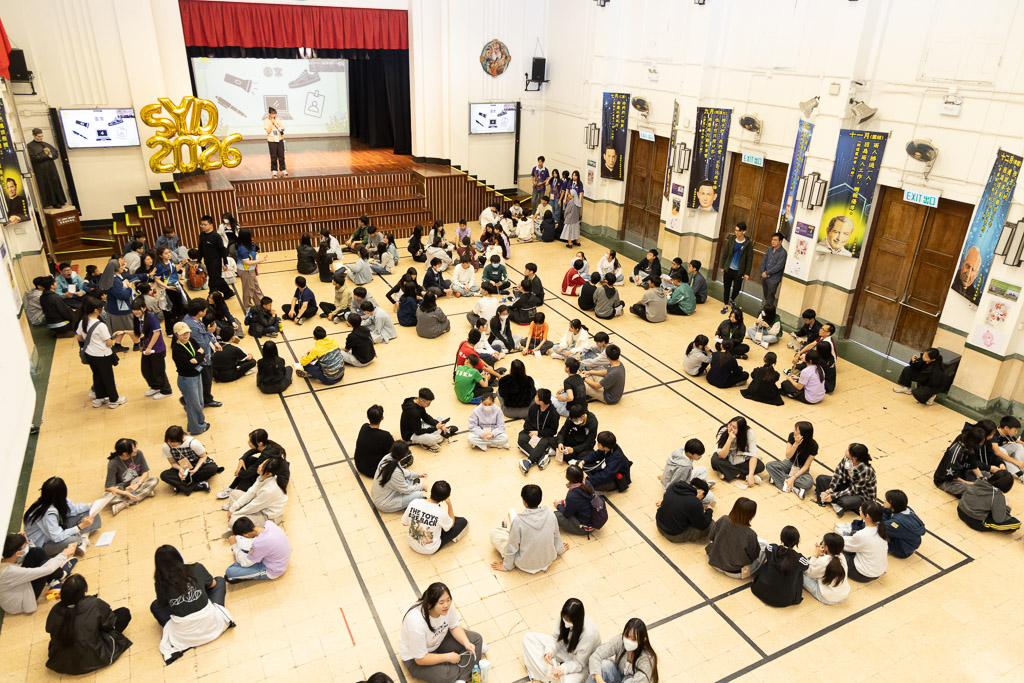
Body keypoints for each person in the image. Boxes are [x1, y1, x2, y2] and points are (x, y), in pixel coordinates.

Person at [150, 545, 232, 665]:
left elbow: (163, 604)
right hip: (212, 623)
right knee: (219, 581)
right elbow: (213, 584)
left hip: (184, 635)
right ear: (178, 557)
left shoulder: (160, 584)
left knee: (155, 606)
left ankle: (188, 636)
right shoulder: (196, 568)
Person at [44, 574, 132, 674]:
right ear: (83, 591)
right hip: (91, 657)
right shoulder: (93, 603)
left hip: (61, 661)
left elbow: (49, 629)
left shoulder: (55, 609)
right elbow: (109, 623)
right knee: (123, 613)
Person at [400, 582, 484, 683]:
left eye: (448, 600)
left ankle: (460, 675)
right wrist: (447, 657)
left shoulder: (447, 606)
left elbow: (454, 626)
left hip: (440, 640)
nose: (446, 605)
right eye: (441, 603)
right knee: (445, 676)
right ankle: (465, 669)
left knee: (476, 640)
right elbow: (420, 659)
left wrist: (466, 643)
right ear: (429, 604)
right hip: (416, 658)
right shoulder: (415, 622)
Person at [490, 484, 568, 573]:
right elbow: (556, 536)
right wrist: (560, 550)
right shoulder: (550, 513)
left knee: (494, 533)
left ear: (524, 502)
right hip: (548, 559)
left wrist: (506, 566)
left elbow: (512, 547)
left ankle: (511, 561)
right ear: (540, 499)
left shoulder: (518, 521)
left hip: (525, 564)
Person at [522, 597, 601, 683]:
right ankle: (546, 677)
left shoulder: (588, 633)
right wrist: (550, 651)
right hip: (566, 651)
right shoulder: (563, 616)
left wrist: (563, 669)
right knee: (528, 638)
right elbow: (556, 638)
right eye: (565, 619)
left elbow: (579, 663)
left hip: (581, 665)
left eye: (568, 621)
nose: (565, 622)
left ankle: (548, 676)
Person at [0, 532, 76, 615]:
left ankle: (56, 577)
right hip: (20, 603)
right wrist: (64, 554)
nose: (25, 549)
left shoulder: (5, 560)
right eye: (24, 548)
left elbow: (28, 555)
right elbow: (47, 569)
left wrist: (26, 542)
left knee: (37, 552)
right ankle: (59, 575)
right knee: (45, 565)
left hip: (16, 588)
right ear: (17, 553)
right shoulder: (10, 572)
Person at [23, 477, 101, 558]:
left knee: (92, 513)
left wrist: (90, 505)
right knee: (73, 539)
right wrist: (80, 527)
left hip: (58, 528)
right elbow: (56, 537)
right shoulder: (48, 514)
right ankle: (80, 540)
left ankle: (83, 540)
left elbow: (73, 509)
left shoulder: (54, 500)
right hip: (44, 544)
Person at [77, 297, 128, 408]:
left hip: (90, 354)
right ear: (96, 310)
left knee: (97, 376)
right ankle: (114, 400)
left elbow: (79, 337)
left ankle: (99, 398)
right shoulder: (100, 325)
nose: (103, 309)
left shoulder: (83, 322)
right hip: (102, 355)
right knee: (108, 378)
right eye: (101, 307)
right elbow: (109, 343)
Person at [403, 480, 468, 554]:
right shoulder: (441, 513)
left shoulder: (414, 502)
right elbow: (451, 525)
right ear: (445, 498)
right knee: (462, 521)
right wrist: (449, 505)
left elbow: (404, 523)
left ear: (431, 490)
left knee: (445, 520)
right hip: (430, 549)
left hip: (412, 544)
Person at [706, 497, 764, 578]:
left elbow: (711, 536)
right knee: (764, 549)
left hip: (713, 560)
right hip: (734, 571)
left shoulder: (723, 519)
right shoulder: (751, 534)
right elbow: (754, 556)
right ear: (752, 515)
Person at [587, 618, 659, 683]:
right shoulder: (620, 641)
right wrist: (599, 680)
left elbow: (640, 680)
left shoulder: (647, 658)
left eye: (633, 639)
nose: (628, 641)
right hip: (620, 676)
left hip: (634, 681)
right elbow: (596, 655)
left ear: (643, 640)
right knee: (604, 665)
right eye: (627, 636)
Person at [751, 526, 808, 607]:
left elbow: (767, 549)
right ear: (797, 541)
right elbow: (806, 566)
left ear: (781, 538)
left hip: (761, 591)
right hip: (783, 600)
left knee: (768, 560)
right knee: (799, 571)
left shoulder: (772, 549)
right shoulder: (799, 559)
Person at [814, 443, 876, 517]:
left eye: (848, 450)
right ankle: (835, 503)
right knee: (821, 479)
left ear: (855, 458)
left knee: (845, 502)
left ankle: (833, 501)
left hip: (860, 495)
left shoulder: (865, 470)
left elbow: (853, 490)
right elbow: (838, 474)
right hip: (847, 485)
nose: (846, 450)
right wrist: (831, 488)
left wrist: (834, 495)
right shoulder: (847, 458)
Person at [225, 456, 287, 528]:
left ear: (269, 474)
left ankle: (241, 527)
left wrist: (235, 514)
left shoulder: (268, 490)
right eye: (262, 463)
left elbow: (253, 507)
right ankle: (240, 524)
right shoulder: (263, 477)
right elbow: (250, 492)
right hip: (258, 505)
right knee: (234, 494)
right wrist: (233, 508)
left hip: (267, 516)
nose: (259, 466)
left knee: (233, 522)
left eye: (262, 466)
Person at [225, 517, 292, 582]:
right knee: (243, 553)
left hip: (274, 570)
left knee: (230, 572)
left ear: (247, 535)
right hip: (282, 558)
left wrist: (234, 545)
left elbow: (245, 563)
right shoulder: (269, 524)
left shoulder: (259, 544)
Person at [170, 322, 208, 434]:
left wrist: (196, 359)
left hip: (196, 375)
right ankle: (197, 428)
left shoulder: (191, 341)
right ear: (176, 335)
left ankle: (198, 424)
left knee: (199, 402)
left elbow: (202, 353)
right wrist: (199, 357)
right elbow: (187, 366)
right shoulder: (177, 349)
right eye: (182, 334)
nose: (185, 336)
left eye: (187, 333)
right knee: (193, 405)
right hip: (187, 379)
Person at [160, 426, 221, 495]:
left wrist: (195, 470)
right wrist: (180, 469)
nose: (170, 444)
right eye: (168, 441)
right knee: (164, 475)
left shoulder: (193, 443)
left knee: (212, 468)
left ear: (181, 438)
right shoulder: (166, 446)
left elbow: (203, 457)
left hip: (197, 464)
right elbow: (173, 463)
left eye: (173, 442)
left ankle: (180, 485)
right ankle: (198, 485)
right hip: (182, 467)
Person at [104, 438, 157, 516]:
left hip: (137, 482)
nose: (136, 450)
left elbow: (145, 472)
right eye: (133, 449)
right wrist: (126, 493)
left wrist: (137, 484)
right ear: (125, 453)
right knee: (106, 496)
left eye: (135, 447)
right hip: (122, 487)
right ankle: (144, 493)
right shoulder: (113, 463)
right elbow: (108, 487)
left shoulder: (138, 453)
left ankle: (124, 503)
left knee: (154, 480)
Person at [764, 422, 817, 498]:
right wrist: (796, 444)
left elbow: (806, 466)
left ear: (802, 433)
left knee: (809, 483)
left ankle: (778, 479)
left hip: (801, 468)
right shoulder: (792, 436)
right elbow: (788, 456)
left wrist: (793, 477)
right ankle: (795, 488)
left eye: (796, 430)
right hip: (789, 462)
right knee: (770, 465)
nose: (794, 431)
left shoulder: (813, 445)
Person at [371, 441, 427, 513]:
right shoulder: (395, 473)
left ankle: (413, 487)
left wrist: (417, 475)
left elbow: (402, 472)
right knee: (419, 494)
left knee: (408, 479)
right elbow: (406, 489)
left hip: (382, 494)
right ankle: (408, 503)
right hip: (385, 503)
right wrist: (421, 487)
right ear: (405, 455)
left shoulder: (387, 457)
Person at [839, 503, 888, 582]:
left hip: (863, 574)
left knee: (833, 549)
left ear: (867, 516)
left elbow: (842, 544)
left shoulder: (863, 535)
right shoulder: (881, 529)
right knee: (854, 533)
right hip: (878, 571)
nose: (860, 509)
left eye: (861, 509)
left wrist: (834, 539)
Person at [710, 417, 764, 485]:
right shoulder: (723, 430)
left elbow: (753, 454)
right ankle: (743, 476)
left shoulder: (749, 433)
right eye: (730, 425)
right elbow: (722, 455)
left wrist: (751, 474)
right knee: (715, 460)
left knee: (760, 466)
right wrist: (729, 440)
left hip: (741, 458)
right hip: (727, 457)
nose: (730, 428)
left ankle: (726, 471)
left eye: (734, 428)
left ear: (740, 430)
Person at [400, 388, 458, 452]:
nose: (429, 405)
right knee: (434, 439)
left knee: (440, 419)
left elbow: (425, 417)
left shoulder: (416, 400)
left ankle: (442, 431)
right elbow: (418, 431)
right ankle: (438, 437)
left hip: (417, 425)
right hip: (411, 435)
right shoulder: (413, 412)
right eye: (428, 403)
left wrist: (438, 424)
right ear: (421, 400)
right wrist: (435, 428)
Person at [656, 477, 712, 543]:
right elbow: (703, 525)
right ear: (701, 492)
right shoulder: (695, 502)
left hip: (659, 524)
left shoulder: (674, 486)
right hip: (673, 534)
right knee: (711, 525)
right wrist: (709, 511)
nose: (700, 499)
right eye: (702, 497)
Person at [518, 388, 560, 473]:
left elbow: (553, 431)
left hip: (544, 436)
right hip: (532, 433)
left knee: (545, 442)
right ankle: (541, 457)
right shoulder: (533, 407)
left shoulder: (554, 414)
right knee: (521, 439)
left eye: (536, 397)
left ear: (541, 402)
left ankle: (530, 461)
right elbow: (527, 423)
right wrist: (530, 433)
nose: (535, 397)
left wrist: (538, 433)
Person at [803, 533, 849, 605]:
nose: (822, 543)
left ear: (826, 547)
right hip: (843, 594)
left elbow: (809, 572)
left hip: (828, 598)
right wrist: (822, 556)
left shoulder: (824, 561)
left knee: (801, 571)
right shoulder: (842, 557)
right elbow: (829, 561)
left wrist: (815, 555)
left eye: (823, 542)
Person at [98, 258, 134, 348]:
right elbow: (122, 295)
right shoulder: (114, 281)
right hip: (121, 309)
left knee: (120, 328)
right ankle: (138, 344)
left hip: (115, 308)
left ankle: (117, 345)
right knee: (132, 327)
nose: (123, 267)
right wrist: (129, 288)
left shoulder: (110, 278)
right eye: (121, 265)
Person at [553, 465, 598, 534]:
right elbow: (579, 502)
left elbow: (566, 514)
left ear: (568, 478)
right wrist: (564, 502)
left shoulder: (572, 495)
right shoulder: (586, 482)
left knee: (556, 515)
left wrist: (558, 505)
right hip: (592, 520)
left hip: (584, 527)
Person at [27, 128, 66, 207]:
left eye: (42, 136)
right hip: (41, 171)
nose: (41, 138)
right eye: (39, 136)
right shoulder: (30, 146)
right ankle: (53, 203)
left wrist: (50, 153)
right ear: (34, 135)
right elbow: (33, 158)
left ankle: (60, 200)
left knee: (55, 183)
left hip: (51, 169)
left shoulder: (46, 144)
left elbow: (56, 153)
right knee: (46, 186)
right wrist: (45, 153)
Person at [719, 222, 753, 312]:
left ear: (744, 232)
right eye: (735, 230)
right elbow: (725, 253)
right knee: (726, 287)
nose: (736, 232)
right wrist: (722, 266)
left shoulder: (748, 244)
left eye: (738, 231)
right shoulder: (731, 240)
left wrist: (747, 273)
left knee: (737, 289)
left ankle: (732, 299)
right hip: (728, 268)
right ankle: (725, 304)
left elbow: (749, 259)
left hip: (739, 271)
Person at [880, 489, 926, 557]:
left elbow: (877, 528)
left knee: (876, 532)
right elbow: (885, 510)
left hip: (902, 550)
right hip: (910, 543)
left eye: (886, 500)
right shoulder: (906, 509)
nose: (884, 501)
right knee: (880, 515)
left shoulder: (897, 522)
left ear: (892, 503)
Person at [354, 405, 396, 478]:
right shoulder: (385, 435)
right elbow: (394, 452)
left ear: (367, 417)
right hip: (374, 472)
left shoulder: (364, 427)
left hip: (359, 466)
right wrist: (394, 441)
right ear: (382, 418)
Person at [196, 215, 231, 297]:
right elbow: (200, 248)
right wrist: (198, 261)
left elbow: (222, 250)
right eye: (201, 225)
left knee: (213, 280)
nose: (203, 226)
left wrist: (225, 263)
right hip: (207, 261)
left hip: (216, 262)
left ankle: (211, 296)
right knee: (217, 278)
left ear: (211, 224)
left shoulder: (216, 236)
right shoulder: (202, 235)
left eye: (205, 225)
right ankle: (228, 292)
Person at [760, 232, 788, 306]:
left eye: (775, 240)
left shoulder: (783, 253)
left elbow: (779, 266)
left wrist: (767, 273)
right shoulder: (769, 249)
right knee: (765, 294)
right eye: (772, 240)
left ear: (780, 241)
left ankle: (768, 310)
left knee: (770, 296)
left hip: (774, 279)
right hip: (764, 276)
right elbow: (764, 260)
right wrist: (763, 271)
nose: (773, 241)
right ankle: (765, 308)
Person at [263, 106, 286, 177]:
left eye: (275, 113)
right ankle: (274, 171)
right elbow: (268, 131)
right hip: (271, 140)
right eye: (272, 113)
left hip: (279, 139)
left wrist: (280, 127)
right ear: (269, 114)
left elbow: (283, 128)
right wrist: (271, 123)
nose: (274, 115)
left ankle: (283, 170)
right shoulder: (266, 121)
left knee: (281, 155)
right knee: (273, 156)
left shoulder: (278, 119)